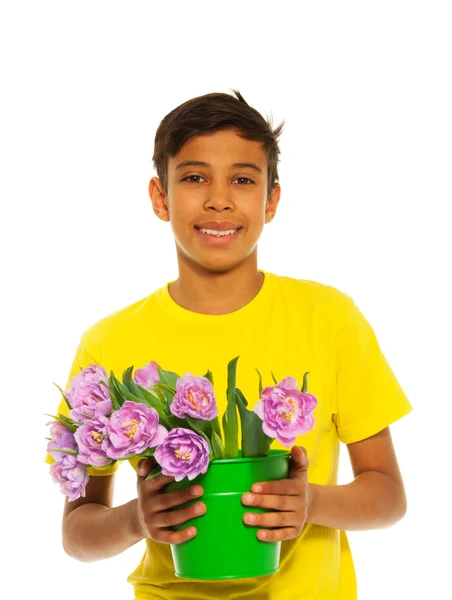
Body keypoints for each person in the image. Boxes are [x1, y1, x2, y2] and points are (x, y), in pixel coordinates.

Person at [45, 89, 413, 600]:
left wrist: (311, 503)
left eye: (242, 179)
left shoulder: (330, 319)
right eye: (194, 178)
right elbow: (76, 535)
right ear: (160, 197)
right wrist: (137, 518)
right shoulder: (108, 343)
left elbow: (389, 495)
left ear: (271, 201)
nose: (219, 199)